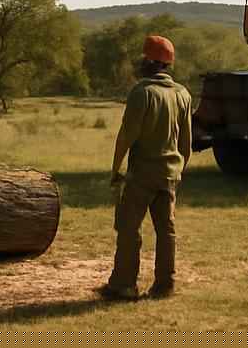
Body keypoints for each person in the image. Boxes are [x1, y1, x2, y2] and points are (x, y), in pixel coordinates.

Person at [99, 34, 192, 301]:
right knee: (167, 229)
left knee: (129, 228)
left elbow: (126, 135)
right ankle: (165, 285)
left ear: (150, 62)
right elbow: (186, 144)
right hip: (170, 174)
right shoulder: (183, 94)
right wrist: (178, 169)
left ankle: (124, 285)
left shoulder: (142, 92)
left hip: (142, 175)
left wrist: (116, 170)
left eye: (143, 58)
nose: (140, 62)